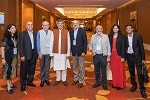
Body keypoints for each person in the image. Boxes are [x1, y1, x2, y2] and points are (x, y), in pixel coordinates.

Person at [125, 24, 147, 98]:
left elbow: (141, 47)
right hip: (129, 56)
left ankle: (142, 89)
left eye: (130, 28)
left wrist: (143, 58)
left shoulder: (138, 36)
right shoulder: (125, 37)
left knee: (140, 73)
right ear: (126, 30)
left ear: (132, 29)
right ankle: (134, 85)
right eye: (127, 28)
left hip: (137, 57)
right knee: (131, 72)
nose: (128, 29)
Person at [89, 25, 111, 90]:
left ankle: (104, 83)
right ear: (95, 29)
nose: (99, 30)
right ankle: (98, 82)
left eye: (100, 28)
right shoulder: (93, 37)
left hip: (103, 55)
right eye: (97, 28)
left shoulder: (106, 36)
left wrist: (109, 56)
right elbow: (90, 45)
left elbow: (109, 46)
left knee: (104, 70)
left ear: (102, 29)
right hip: (96, 55)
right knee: (97, 70)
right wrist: (91, 50)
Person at [19, 21, 37, 91]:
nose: (30, 26)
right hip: (25, 55)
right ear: (26, 26)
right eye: (28, 25)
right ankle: (23, 84)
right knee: (24, 70)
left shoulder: (35, 33)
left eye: (31, 25)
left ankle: (30, 82)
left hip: (34, 54)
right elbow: (20, 45)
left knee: (32, 69)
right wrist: (22, 55)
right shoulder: (22, 34)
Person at [52, 19, 70, 86]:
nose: (60, 24)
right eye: (59, 23)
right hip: (56, 52)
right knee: (57, 66)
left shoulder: (66, 31)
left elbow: (69, 43)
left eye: (61, 23)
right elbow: (52, 42)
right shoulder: (53, 31)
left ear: (63, 24)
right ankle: (57, 79)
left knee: (64, 66)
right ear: (57, 24)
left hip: (64, 52)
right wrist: (51, 53)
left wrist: (68, 53)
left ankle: (64, 79)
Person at [70, 20, 87, 88]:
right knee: (75, 66)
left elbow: (85, 42)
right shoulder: (70, 32)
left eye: (76, 23)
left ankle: (81, 81)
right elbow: (70, 42)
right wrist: (70, 50)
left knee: (81, 67)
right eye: (74, 23)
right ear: (72, 24)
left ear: (79, 24)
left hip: (81, 52)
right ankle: (76, 79)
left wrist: (84, 51)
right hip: (74, 51)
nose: (75, 24)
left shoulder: (82, 31)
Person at [1, 24, 18, 94]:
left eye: (14, 28)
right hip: (8, 56)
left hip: (14, 56)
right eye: (12, 28)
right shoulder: (6, 38)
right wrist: (3, 58)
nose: (14, 29)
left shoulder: (14, 37)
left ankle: (11, 83)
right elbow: (2, 48)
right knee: (8, 70)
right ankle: (8, 86)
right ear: (9, 30)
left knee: (12, 69)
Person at [108, 24, 126, 90]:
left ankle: (120, 84)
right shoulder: (110, 36)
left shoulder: (122, 37)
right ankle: (114, 83)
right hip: (112, 55)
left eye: (116, 28)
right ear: (112, 29)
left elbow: (124, 47)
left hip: (119, 55)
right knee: (113, 70)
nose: (115, 29)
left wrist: (123, 57)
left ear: (118, 29)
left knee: (120, 70)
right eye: (114, 28)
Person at [36, 21, 53, 87]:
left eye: (47, 25)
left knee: (47, 66)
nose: (46, 26)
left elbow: (52, 43)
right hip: (42, 53)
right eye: (44, 25)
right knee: (42, 66)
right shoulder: (39, 32)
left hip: (48, 52)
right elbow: (37, 43)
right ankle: (42, 80)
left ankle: (47, 79)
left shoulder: (51, 33)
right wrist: (39, 52)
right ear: (42, 26)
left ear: (49, 26)